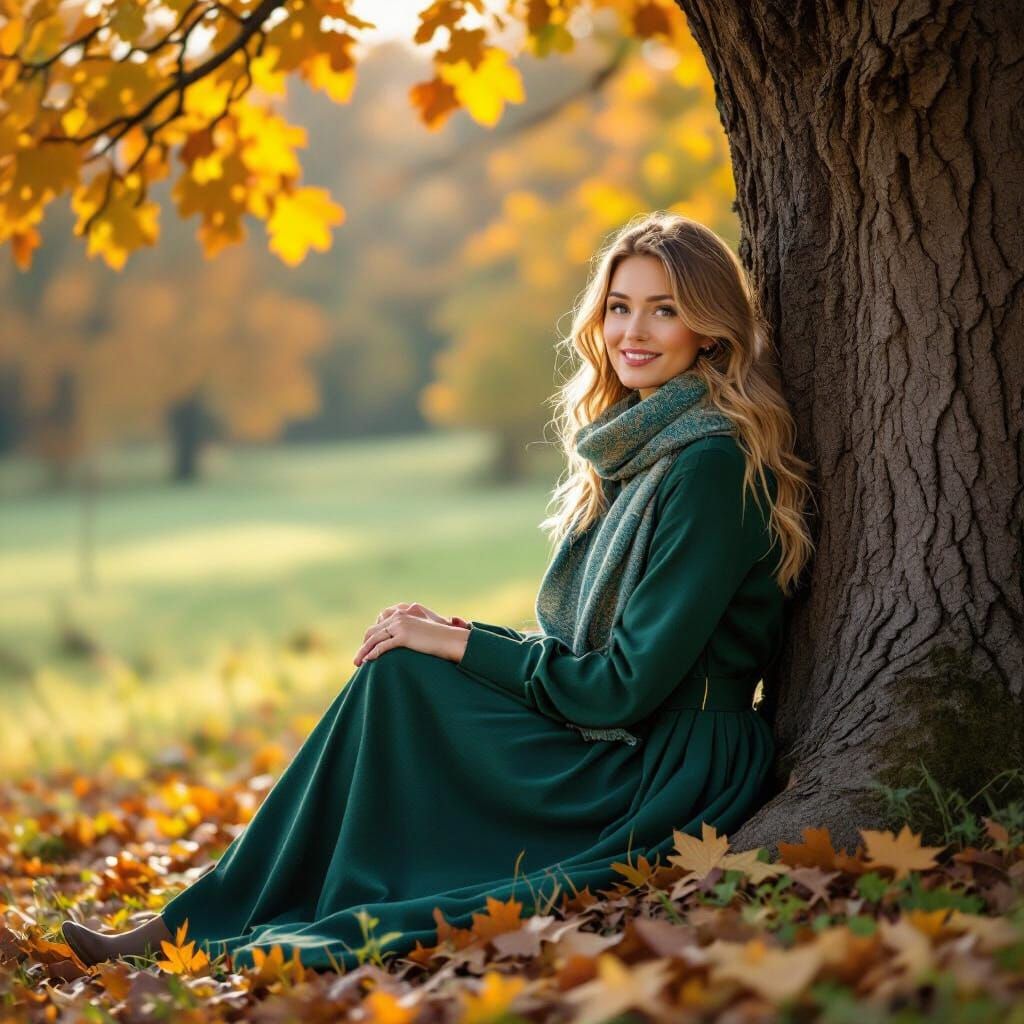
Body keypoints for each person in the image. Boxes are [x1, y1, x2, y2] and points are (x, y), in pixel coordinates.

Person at [61, 211, 816, 972]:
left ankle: (220, 922)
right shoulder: (646, 454)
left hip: (665, 769)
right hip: (629, 736)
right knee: (397, 669)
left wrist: (461, 642)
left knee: (411, 672)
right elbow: (587, 658)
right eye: (620, 306)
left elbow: (622, 686)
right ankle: (195, 920)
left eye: (665, 309)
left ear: (711, 332)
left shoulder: (708, 467)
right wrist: (447, 633)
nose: (633, 331)